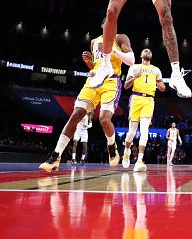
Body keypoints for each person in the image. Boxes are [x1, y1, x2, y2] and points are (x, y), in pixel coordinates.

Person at [39, 29, 134, 172]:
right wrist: (89, 62)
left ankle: (111, 144)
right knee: (76, 114)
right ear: (104, 25)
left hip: (111, 81)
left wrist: (112, 50)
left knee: (104, 119)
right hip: (93, 79)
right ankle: (56, 156)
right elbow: (95, 65)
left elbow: (131, 61)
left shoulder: (120, 38)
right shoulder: (94, 41)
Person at [122, 48, 166, 172]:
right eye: (145, 50)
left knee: (145, 130)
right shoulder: (134, 67)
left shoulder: (156, 69)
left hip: (149, 100)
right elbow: (126, 86)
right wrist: (134, 78)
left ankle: (140, 160)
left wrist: (162, 86)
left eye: (149, 50)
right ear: (141, 55)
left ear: (151, 56)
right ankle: (126, 151)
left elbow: (162, 87)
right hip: (136, 98)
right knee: (131, 132)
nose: (147, 50)